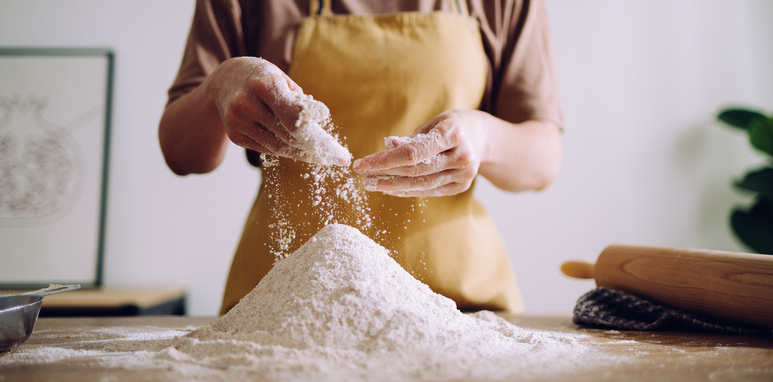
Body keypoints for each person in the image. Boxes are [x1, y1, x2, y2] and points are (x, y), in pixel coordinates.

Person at [159, 0, 564, 314]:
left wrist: (483, 138)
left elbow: (544, 157)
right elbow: (179, 152)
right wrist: (220, 86)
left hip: (458, 306)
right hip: (284, 307)